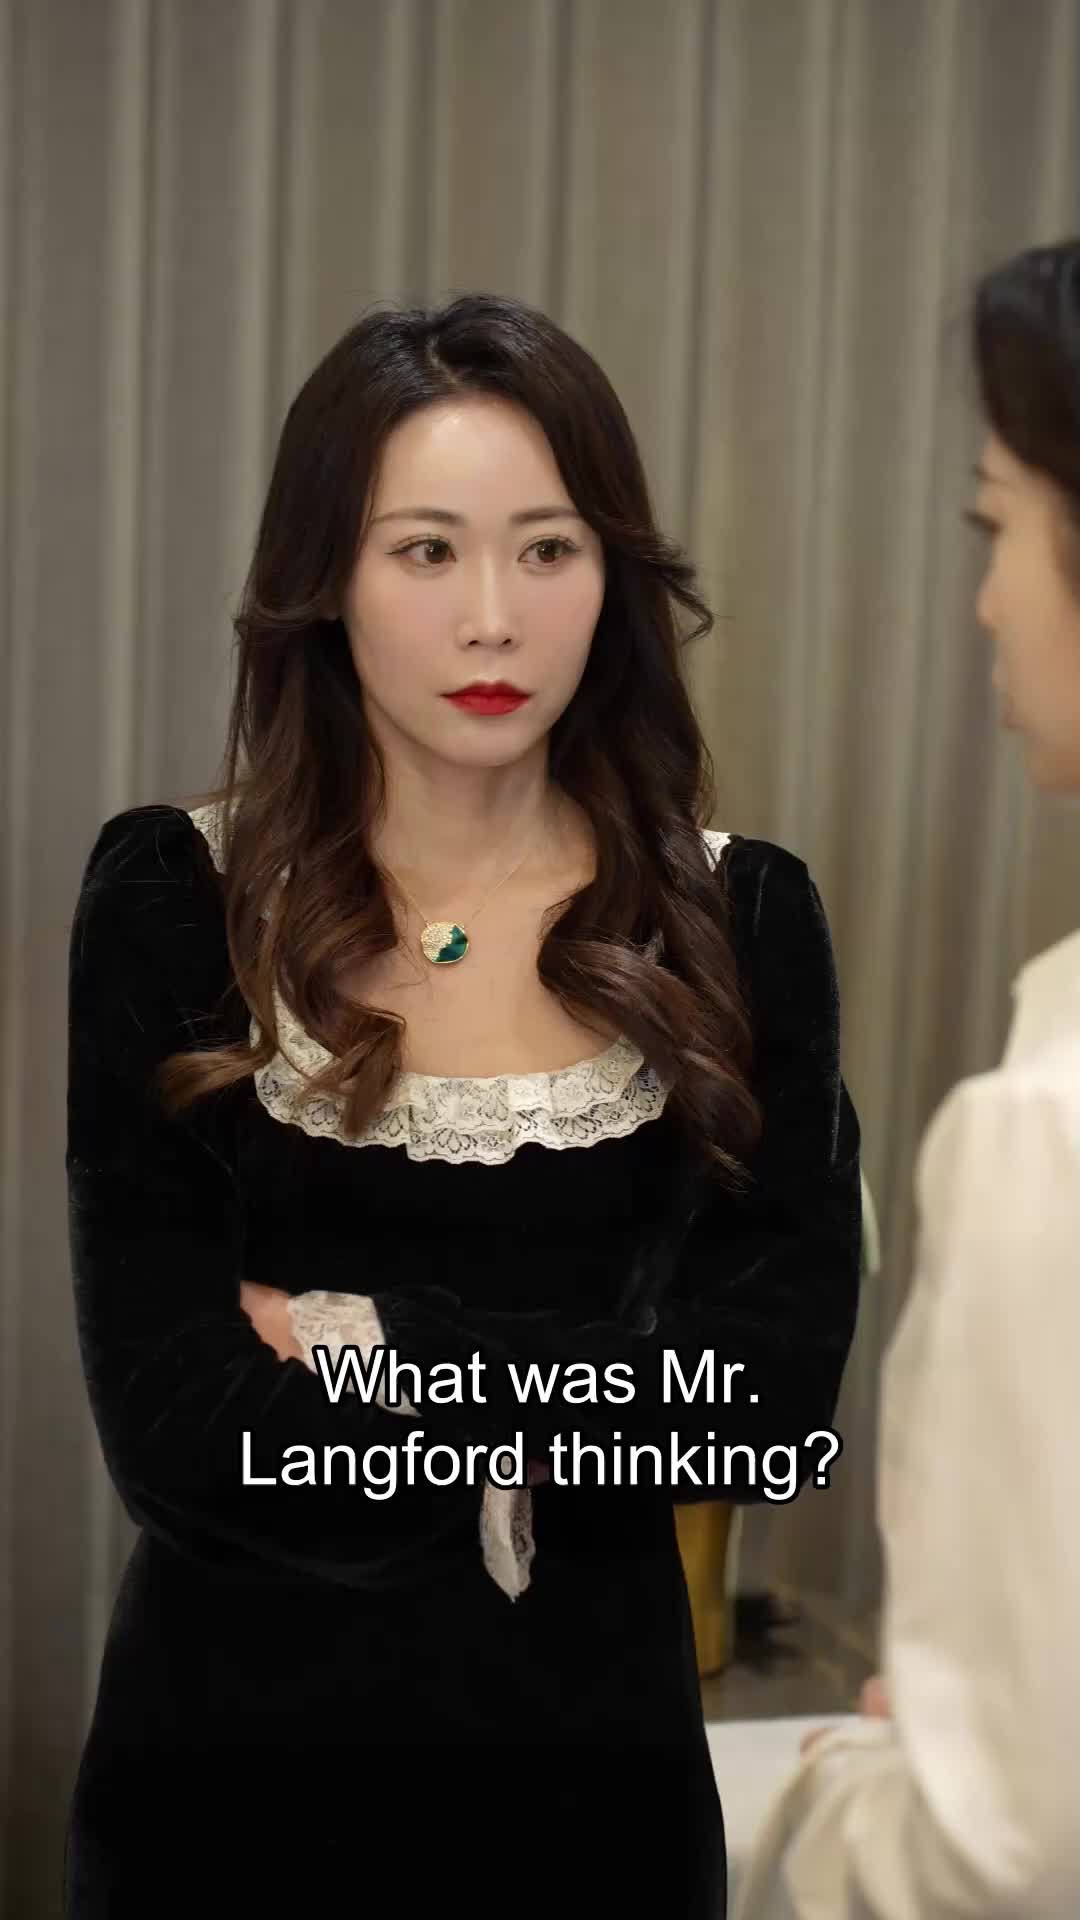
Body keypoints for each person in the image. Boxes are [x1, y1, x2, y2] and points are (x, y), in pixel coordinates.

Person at [63, 292, 862, 1918]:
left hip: (597, 1797)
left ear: (612, 579)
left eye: (547, 550)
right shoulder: (174, 898)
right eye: (426, 551)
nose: (493, 620)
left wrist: (372, 1340)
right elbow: (180, 1438)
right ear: (326, 580)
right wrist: (591, 1410)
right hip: (227, 1793)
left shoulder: (741, 916)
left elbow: (763, 1412)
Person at [735, 239, 1080, 1919]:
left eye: (993, 523)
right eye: (426, 550)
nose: (987, 598)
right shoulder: (180, 892)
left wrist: (856, 1788)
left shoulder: (1046, 1135)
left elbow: (1010, 1852)